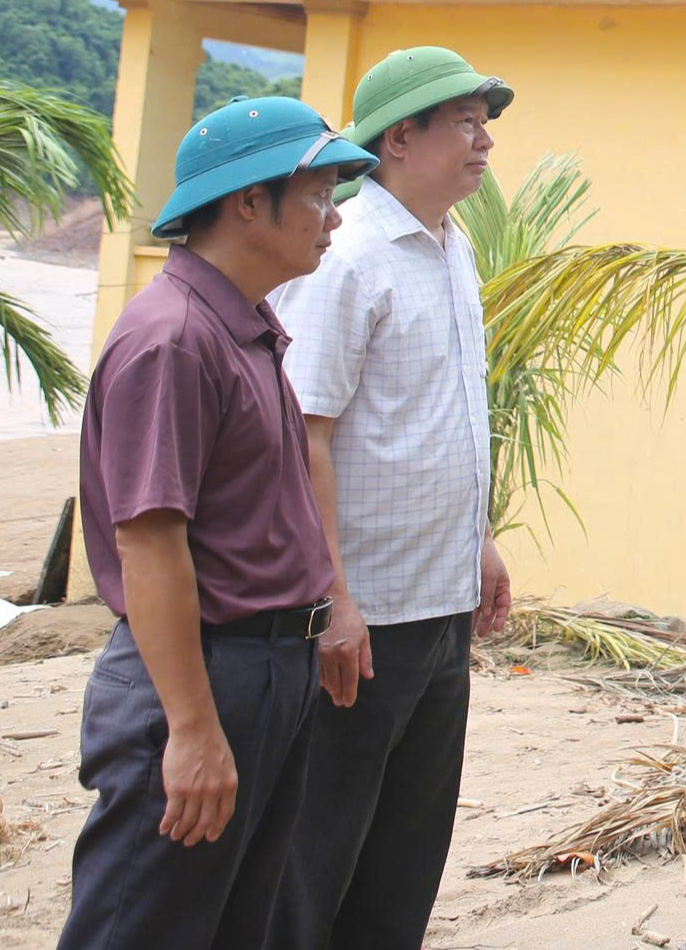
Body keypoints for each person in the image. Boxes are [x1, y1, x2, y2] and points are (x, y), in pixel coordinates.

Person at [58, 97, 377, 950]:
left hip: (269, 669)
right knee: (141, 926)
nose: (334, 215)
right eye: (315, 193)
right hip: (201, 675)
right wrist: (194, 728)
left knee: (233, 925)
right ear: (247, 202)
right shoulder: (172, 340)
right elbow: (150, 543)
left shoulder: (246, 324)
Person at [265, 47, 516, 950]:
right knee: (317, 854)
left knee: (408, 852)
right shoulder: (350, 255)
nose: (485, 137)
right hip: (363, 619)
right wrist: (334, 597)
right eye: (465, 119)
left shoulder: (454, 247)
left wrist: (478, 541)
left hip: (441, 603)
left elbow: (443, 416)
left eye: (485, 120)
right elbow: (307, 432)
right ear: (400, 137)